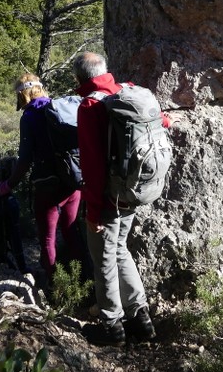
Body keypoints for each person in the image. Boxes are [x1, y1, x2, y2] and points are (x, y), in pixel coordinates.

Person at [73, 51, 175, 346]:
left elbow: (92, 166)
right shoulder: (128, 92)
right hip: (133, 190)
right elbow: (156, 122)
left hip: (108, 197)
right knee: (119, 249)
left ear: (79, 77)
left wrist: (93, 212)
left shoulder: (91, 105)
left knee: (103, 258)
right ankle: (141, 319)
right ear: (104, 70)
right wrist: (168, 122)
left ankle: (112, 327)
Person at [0, 73, 86, 285]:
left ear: (22, 95)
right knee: (71, 231)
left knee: (47, 238)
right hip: (73, 181)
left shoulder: (29, 117)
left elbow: (25, 158)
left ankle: (54, 287)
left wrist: (8, 185)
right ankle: (84, 281)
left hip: (48, 187)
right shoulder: (59, 108)